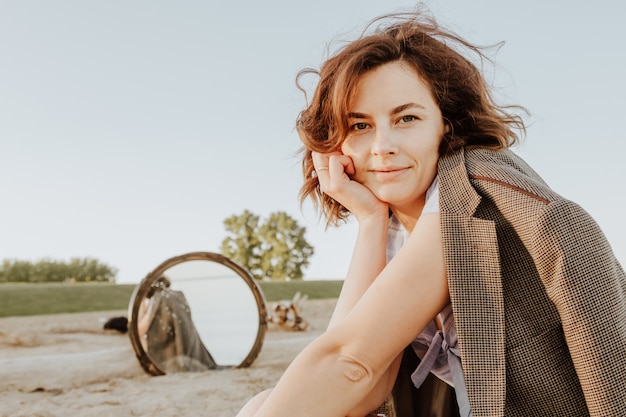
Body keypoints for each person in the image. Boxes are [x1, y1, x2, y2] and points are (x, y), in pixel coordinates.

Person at [236, 8, 626, 417]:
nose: (382, 146)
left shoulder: (468, 196)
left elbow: (350, 363)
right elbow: (362, 394)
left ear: (446, 123)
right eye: (360, 126)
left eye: (406, 118)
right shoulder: (394, 226)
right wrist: (370, 222)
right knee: (260, 403)